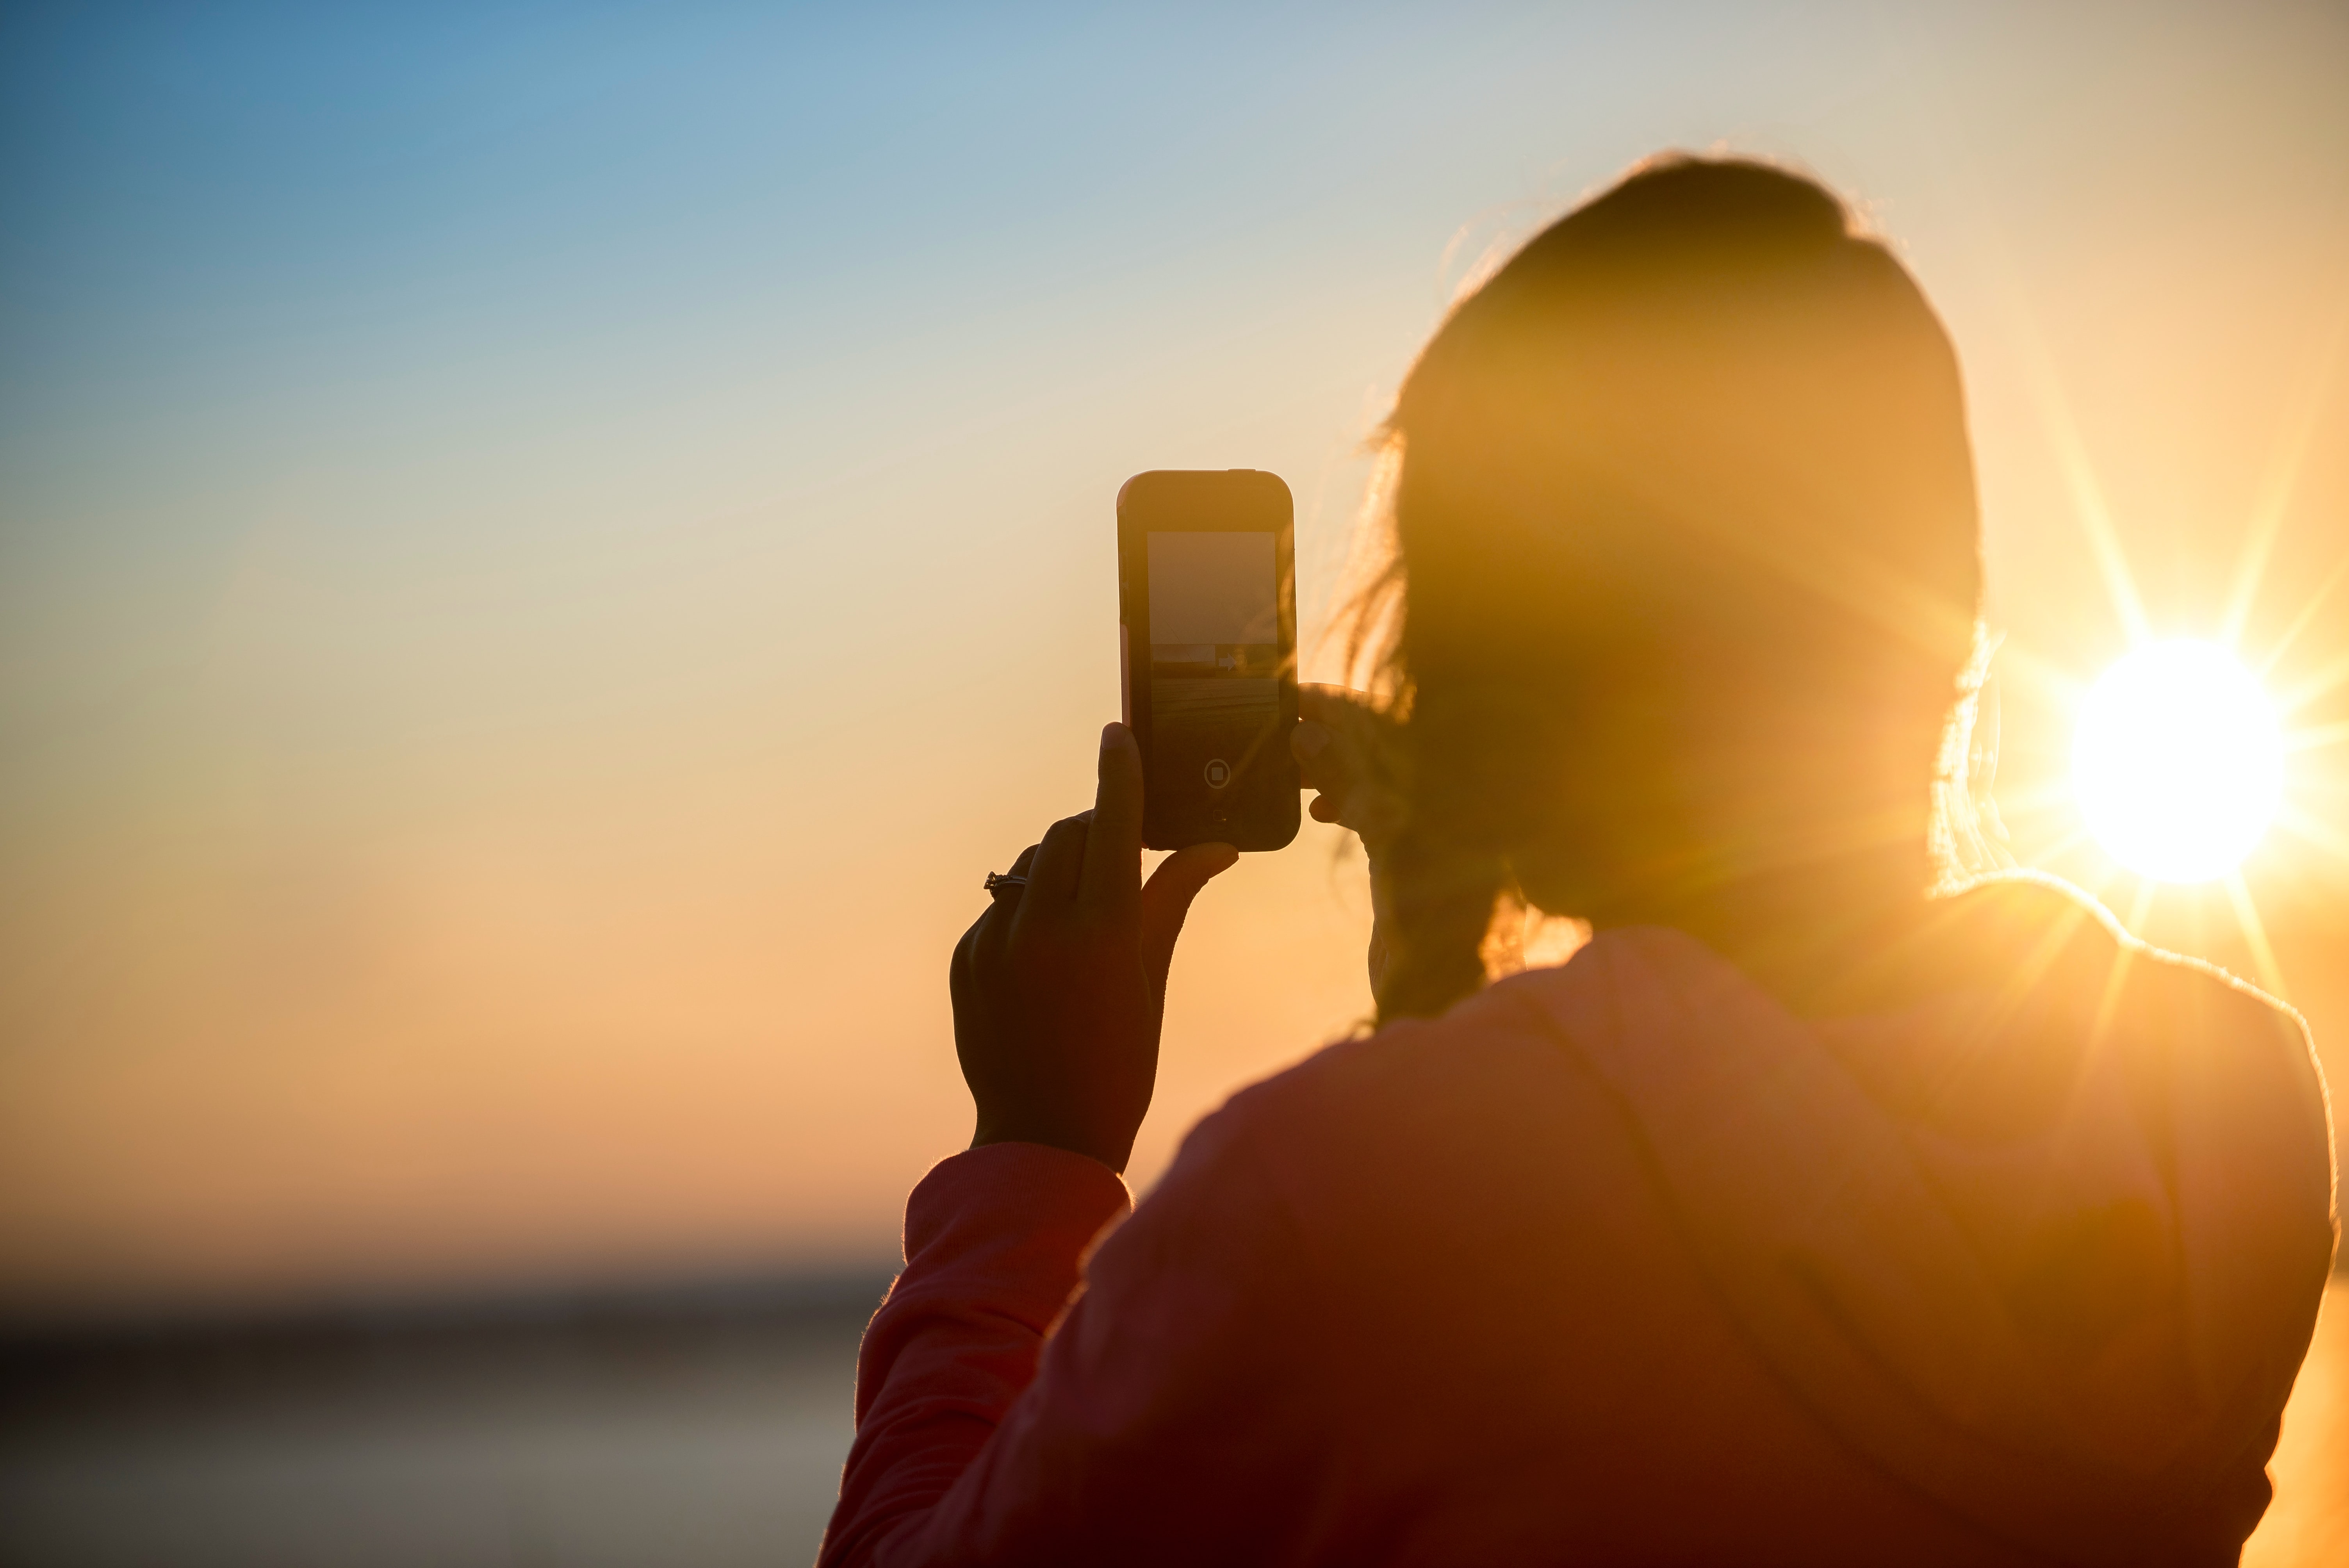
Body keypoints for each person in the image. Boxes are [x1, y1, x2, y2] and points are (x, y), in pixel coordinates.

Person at [816, 157, 2335, 1566]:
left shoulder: (1326, 1196)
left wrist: (1032, 1147)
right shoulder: (2235, 1103)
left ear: (1476, 660)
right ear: (1953, 598)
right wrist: (1431, 974)